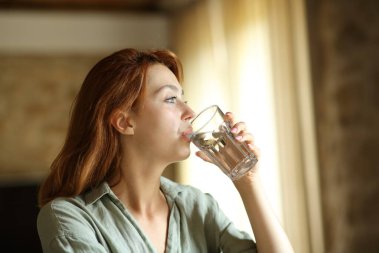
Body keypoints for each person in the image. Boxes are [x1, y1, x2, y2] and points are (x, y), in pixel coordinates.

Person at [37, 48, 294, 253]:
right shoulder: (68, 218)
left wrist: (248, 180)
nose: (190, 113)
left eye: (185, 99)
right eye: (171, 99)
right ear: (125, 122)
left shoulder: (197, 207)